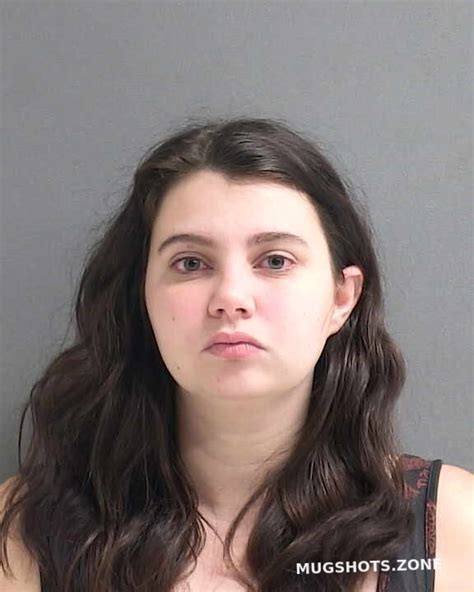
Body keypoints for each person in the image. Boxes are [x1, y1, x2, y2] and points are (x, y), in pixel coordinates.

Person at [0, 117, 472, 592]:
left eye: (275, 261)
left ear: (341, 297)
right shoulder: (22, 533)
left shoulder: (453, 528)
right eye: (191, 263)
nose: (231, 297)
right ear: (141, 295)